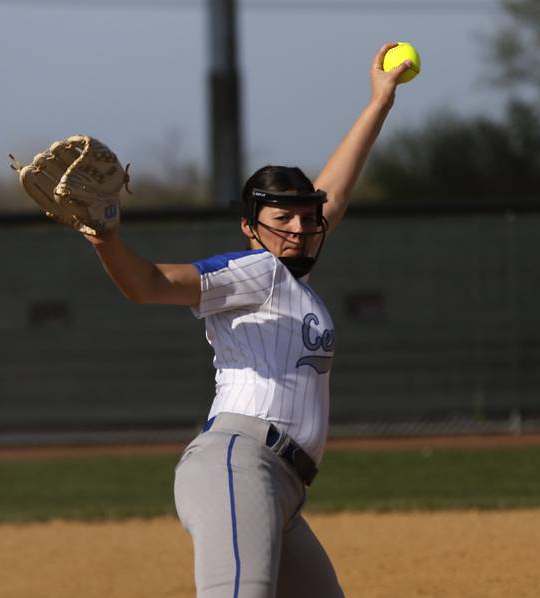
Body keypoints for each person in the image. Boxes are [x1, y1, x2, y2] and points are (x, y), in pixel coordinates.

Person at [83, 44, 413, 598]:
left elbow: (332, 198)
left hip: (280, 487)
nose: (298, 228)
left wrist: (379, 101)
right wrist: (107, 239)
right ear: (249, 227)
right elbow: (151, 285)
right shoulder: (257, 270)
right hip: (239, 465)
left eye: (306, 218)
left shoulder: (289, 282)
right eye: (280, 218)